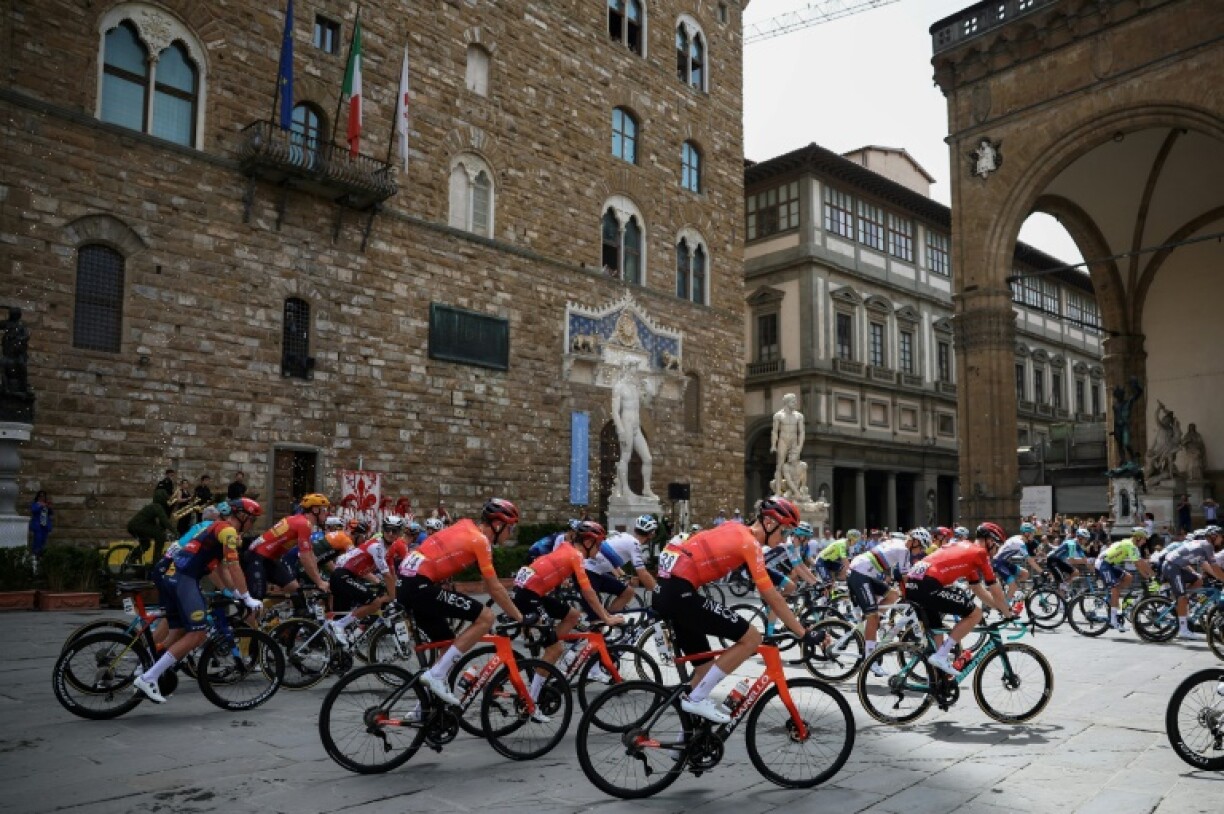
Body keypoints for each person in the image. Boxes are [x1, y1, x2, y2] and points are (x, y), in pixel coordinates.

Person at [653, 496, 823, 724]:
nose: (785, 539)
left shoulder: (735, 528)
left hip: (667, 590)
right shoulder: (750, 544)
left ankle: (684, 743)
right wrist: (804, 633)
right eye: (784, 532)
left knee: (704, 671)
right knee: (752, 637)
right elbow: (773, 597)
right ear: (770, 524)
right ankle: (696, 699)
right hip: (680, 593)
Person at [132, 498, 264, 704]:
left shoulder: (216, 527)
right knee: (198, 633)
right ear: (243, 516)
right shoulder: (228, 531)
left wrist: (235, 593)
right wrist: (247, 597)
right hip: (184, 580)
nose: (252, 525)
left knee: (178, 631)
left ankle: (146, 665)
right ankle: (148, 677)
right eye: (252, 520)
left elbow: (219, 568)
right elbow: (233, 566)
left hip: (171, 577)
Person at [396, 498, 525, 707]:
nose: (511, 532)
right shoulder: (480, 541)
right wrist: (520, 617)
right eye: (510, 528)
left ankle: (424, 708)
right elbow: (494, 587)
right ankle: (436, 675)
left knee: (447, 644)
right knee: (486, 617)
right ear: (498, 525)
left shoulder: (465, 525)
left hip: (409, 583)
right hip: (419, 585)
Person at [511, 521, 625, 717]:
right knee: (556, 649)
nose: (599, 550)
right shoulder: (575, 556)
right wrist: (606, 617)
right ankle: (531, 701)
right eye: (598, 545)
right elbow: (588, 592)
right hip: (528, 594)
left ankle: (548, 652)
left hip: (530, 590)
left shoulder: (567, 547)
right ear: (588, 542)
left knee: (573, 615)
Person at [903, 522, 1016, 675]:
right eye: (997, 546)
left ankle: (938, 681)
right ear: (989, 541)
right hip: (927, 584)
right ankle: (942, 656)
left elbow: (978, 589)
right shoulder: (980, 554)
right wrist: (1008, 613)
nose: (996, 552)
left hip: (913, 584)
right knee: (975, 613)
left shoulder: (966, 549)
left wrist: (999, 607)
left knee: (938, 634)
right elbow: (995, 589)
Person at [326, 519, 409, 646]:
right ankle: (338, 625)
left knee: (344, 622)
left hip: (348, 576)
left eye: (395, 530)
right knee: (375, 602)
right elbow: (386, 574)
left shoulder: (388, 548)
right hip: (342, 576)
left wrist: (383, 583)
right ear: (383, 530)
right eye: (387, 529)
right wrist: (393, 597)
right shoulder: (377, 546)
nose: (390, 533)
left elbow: (389, 574)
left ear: (399, 533)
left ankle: (337, 652)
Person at [244, 493, 332, 611]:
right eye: (324, 509)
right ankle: (248, 628)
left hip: (268, 559)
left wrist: (319, 580)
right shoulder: (304, 524)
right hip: (256, 558)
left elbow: (310, 555)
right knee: (255, 603)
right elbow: (305, 558)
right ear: (315, 510)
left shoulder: (301, 521)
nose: (326, 513)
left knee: (295, 589)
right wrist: (319, 582)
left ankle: (292, 624)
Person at [583, 515, 658, 614]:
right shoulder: (634, 544)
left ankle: (609, 619)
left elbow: (609, 558)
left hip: (593, 571)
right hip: (591, 572)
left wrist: (622, 575)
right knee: (597, 619)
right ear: (651, 534)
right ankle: (606, 620)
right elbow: (642, 573)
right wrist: (657, 590)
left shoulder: (625, 536)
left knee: (628, 592)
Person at [1160, 525, 1224, 640]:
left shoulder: (1203, 545)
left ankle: (1181, 603)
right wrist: (1221, 578)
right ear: (1214, 536)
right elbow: (1214, 567)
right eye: (1220, 537)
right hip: (1172, 566)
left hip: (1177, 567)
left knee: (1198, 580)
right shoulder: (1207, 545)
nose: (1222, 539)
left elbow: (1206, 565)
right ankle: (1183, 630)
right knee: (1183, 597)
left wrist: (1218, 577)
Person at [611, 363, 656, 499]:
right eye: (633, 370)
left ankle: (646, 488)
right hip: (626, 424)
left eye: (636, 370)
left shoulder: (635, 387)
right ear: (626, 369)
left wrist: (649, 390)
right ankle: (625, 489)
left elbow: (646, 403)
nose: (635, 373)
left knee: (648, 458)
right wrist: (620, 429)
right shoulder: (619, 387)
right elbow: (615, 411)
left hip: (636, 425)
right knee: (626, 456)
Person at [1096, 531, 1154, 633]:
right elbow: (1139, 562)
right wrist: (1153, 575)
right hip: (1103, 564)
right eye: (1144, 539)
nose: (1145, 542)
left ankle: (1112, 597)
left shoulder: (1130, 545)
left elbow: (1138, 564)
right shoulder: (1130, 545)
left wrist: (1146, 576)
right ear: (1138, 537)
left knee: (1128, 577)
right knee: (1115, 588)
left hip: (1110, 564)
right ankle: (1113, 620)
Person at [126, 488, 175, 563]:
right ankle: (156, 561)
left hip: (134, 526)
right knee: (160, 536)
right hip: (138, 526)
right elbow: (165, 521)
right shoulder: (157, 507)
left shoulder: (152, 506)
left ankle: (131, 559)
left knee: (146, 544)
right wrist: (175, 532)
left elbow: (153, 523)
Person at [770, 393, 804, 499]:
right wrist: (773, 445)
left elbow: (802, 432)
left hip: (793, 440)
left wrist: (800, 446)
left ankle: (793, 491)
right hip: (783, 440)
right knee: (779, 465)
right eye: (793, 401)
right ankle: (778, 492)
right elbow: (775, 431)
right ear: (787, 402)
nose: (795, 403)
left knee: (795, 465)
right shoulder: (778, 415)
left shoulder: (799, 416)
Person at [28, 490, 52, 558]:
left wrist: (49, 508)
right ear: (38, 497)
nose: (42, 497)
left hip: (45, 525)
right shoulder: (35, 504)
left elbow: (50, 513)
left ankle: (41, 555)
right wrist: (41, 506)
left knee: (43, 541)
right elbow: (34, 510)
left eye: (43, 496)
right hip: (38, 525)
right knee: (37, 540)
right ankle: (35, 555)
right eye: (40, 496)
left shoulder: (46, 504)